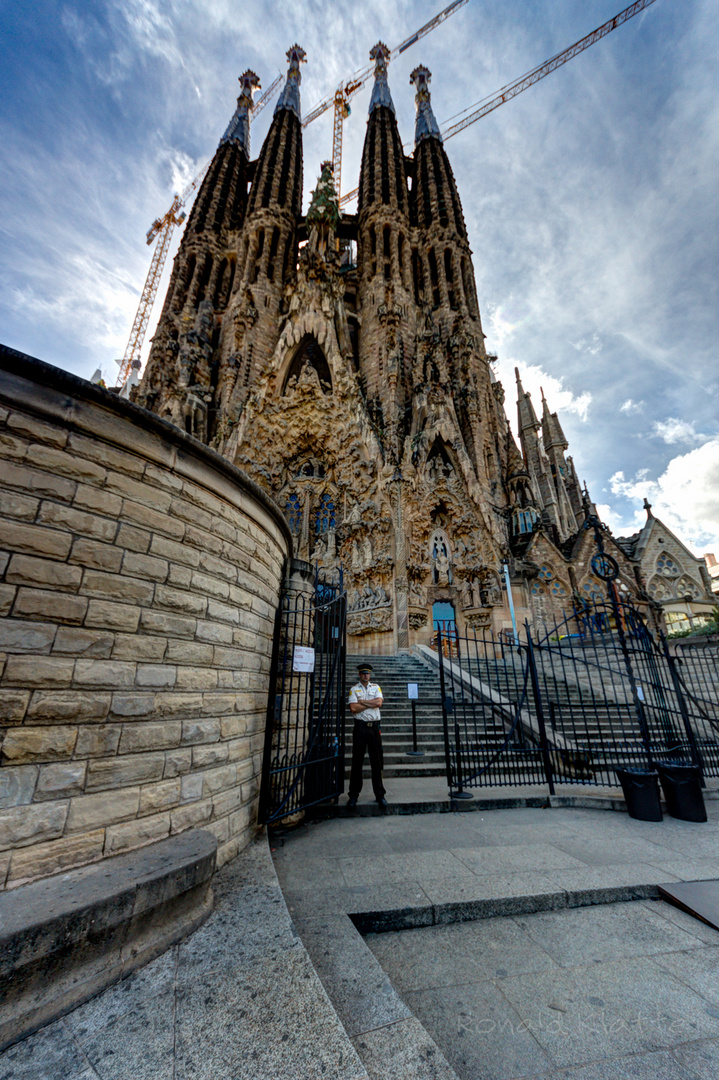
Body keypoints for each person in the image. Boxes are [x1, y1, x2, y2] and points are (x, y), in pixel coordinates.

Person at [347, 663, 387, 810]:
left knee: (377, 762)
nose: (365, 675)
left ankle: (380, 794)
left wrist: (362, 702)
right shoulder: (353, 689)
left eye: (367, 673)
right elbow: (353, 708)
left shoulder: (376, 687)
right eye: (363, 673)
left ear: (370, 675)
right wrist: (371, 704)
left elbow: (379, 703)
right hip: (360, 728)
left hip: (374, 728)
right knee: (356, 762)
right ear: (359, 674)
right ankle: (353, 795)